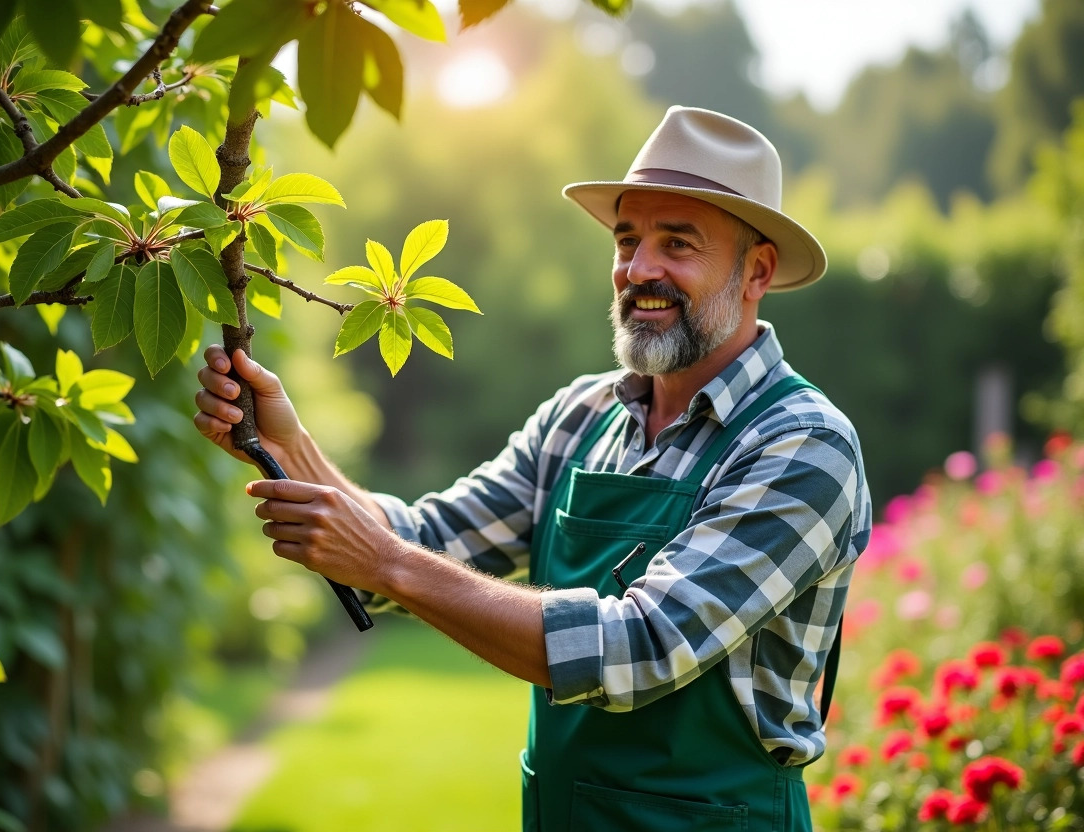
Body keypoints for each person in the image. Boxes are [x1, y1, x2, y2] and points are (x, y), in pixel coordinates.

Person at [193, 106, 872, 832]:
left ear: (756, 271)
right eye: (628, 239)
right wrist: (289, 446)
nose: (640, 269)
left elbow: (641, 646)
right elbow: (433, 539)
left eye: (678, 244)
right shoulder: (580, 418)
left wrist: (388, 563)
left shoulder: (801, 446)